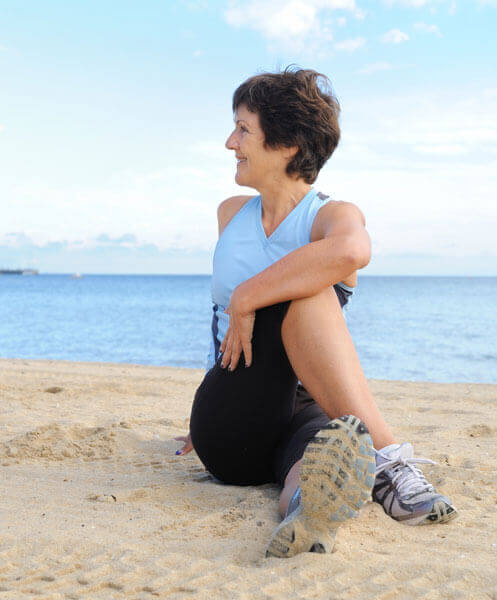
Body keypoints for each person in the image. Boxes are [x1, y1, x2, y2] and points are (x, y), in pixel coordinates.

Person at [175, 67, 457, 558]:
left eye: (243, 129)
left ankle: (308, 513)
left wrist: (248, 297)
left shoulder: (331, 216)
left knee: (328, 451)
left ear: (286, 144)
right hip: (233, 412)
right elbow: (222, 326)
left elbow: (350, 251)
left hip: (306, 407)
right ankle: (389, 461)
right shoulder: (230, 214)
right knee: (307, 293)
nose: (229, 142)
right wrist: (238, 324)